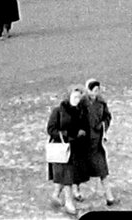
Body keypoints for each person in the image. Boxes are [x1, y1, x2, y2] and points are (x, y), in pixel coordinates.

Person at [47, 86, 91, 216]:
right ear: (68, 96)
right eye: (74, 96)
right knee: (68, 178)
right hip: (63, 149)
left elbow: (85, 127)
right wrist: (67, 134)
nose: (77, 99)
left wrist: (83, 134)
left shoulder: (82, 111)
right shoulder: (58, 111)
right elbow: (51, 129)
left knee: (69, 176)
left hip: (77, 149)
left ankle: (55, 195)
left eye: (79, 97)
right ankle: (68, 203)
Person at [82, 79, 114, 206]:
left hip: (96, 143)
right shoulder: (81, 103)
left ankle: (109, 196)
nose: (95, 93)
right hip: (83, 143)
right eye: (92, 90)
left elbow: (107, 117)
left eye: (97, 90)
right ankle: (75, 192)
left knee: (102, 169)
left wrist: (103, 126)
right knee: (78, 170)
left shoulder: (101, 102)